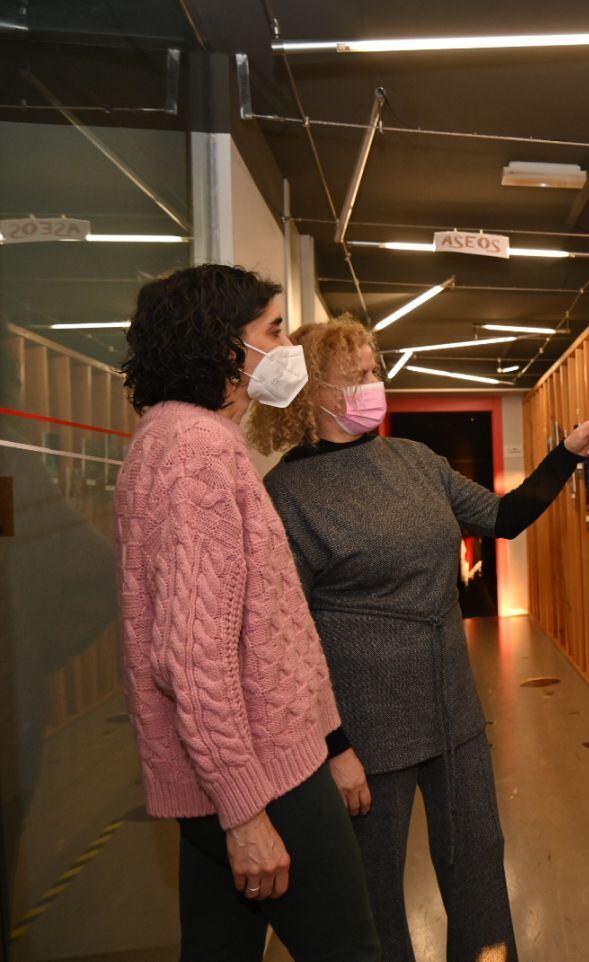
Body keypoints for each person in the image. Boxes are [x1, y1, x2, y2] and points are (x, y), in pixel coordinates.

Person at [248, 318, 589, 962]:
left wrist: (567, 454)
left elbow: (504, 516)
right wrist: (333, 747)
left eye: (374, 370)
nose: (373, 384)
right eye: (356, 375)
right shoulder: (287, 494)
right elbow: (286, 637)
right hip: (365, 729)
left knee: (477, 864)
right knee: (374, 890)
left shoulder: (414, 461)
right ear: (315, 393)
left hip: (452, 708)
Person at [114, 266, 380, 962]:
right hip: (260, 777)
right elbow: (192, 657)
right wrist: (244, 811)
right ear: (223, 346)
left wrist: (333, 743)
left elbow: (274, 626)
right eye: (272, 329)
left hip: (250, 768)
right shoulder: (192, 452)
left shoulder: (184, 439)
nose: (287, 344)